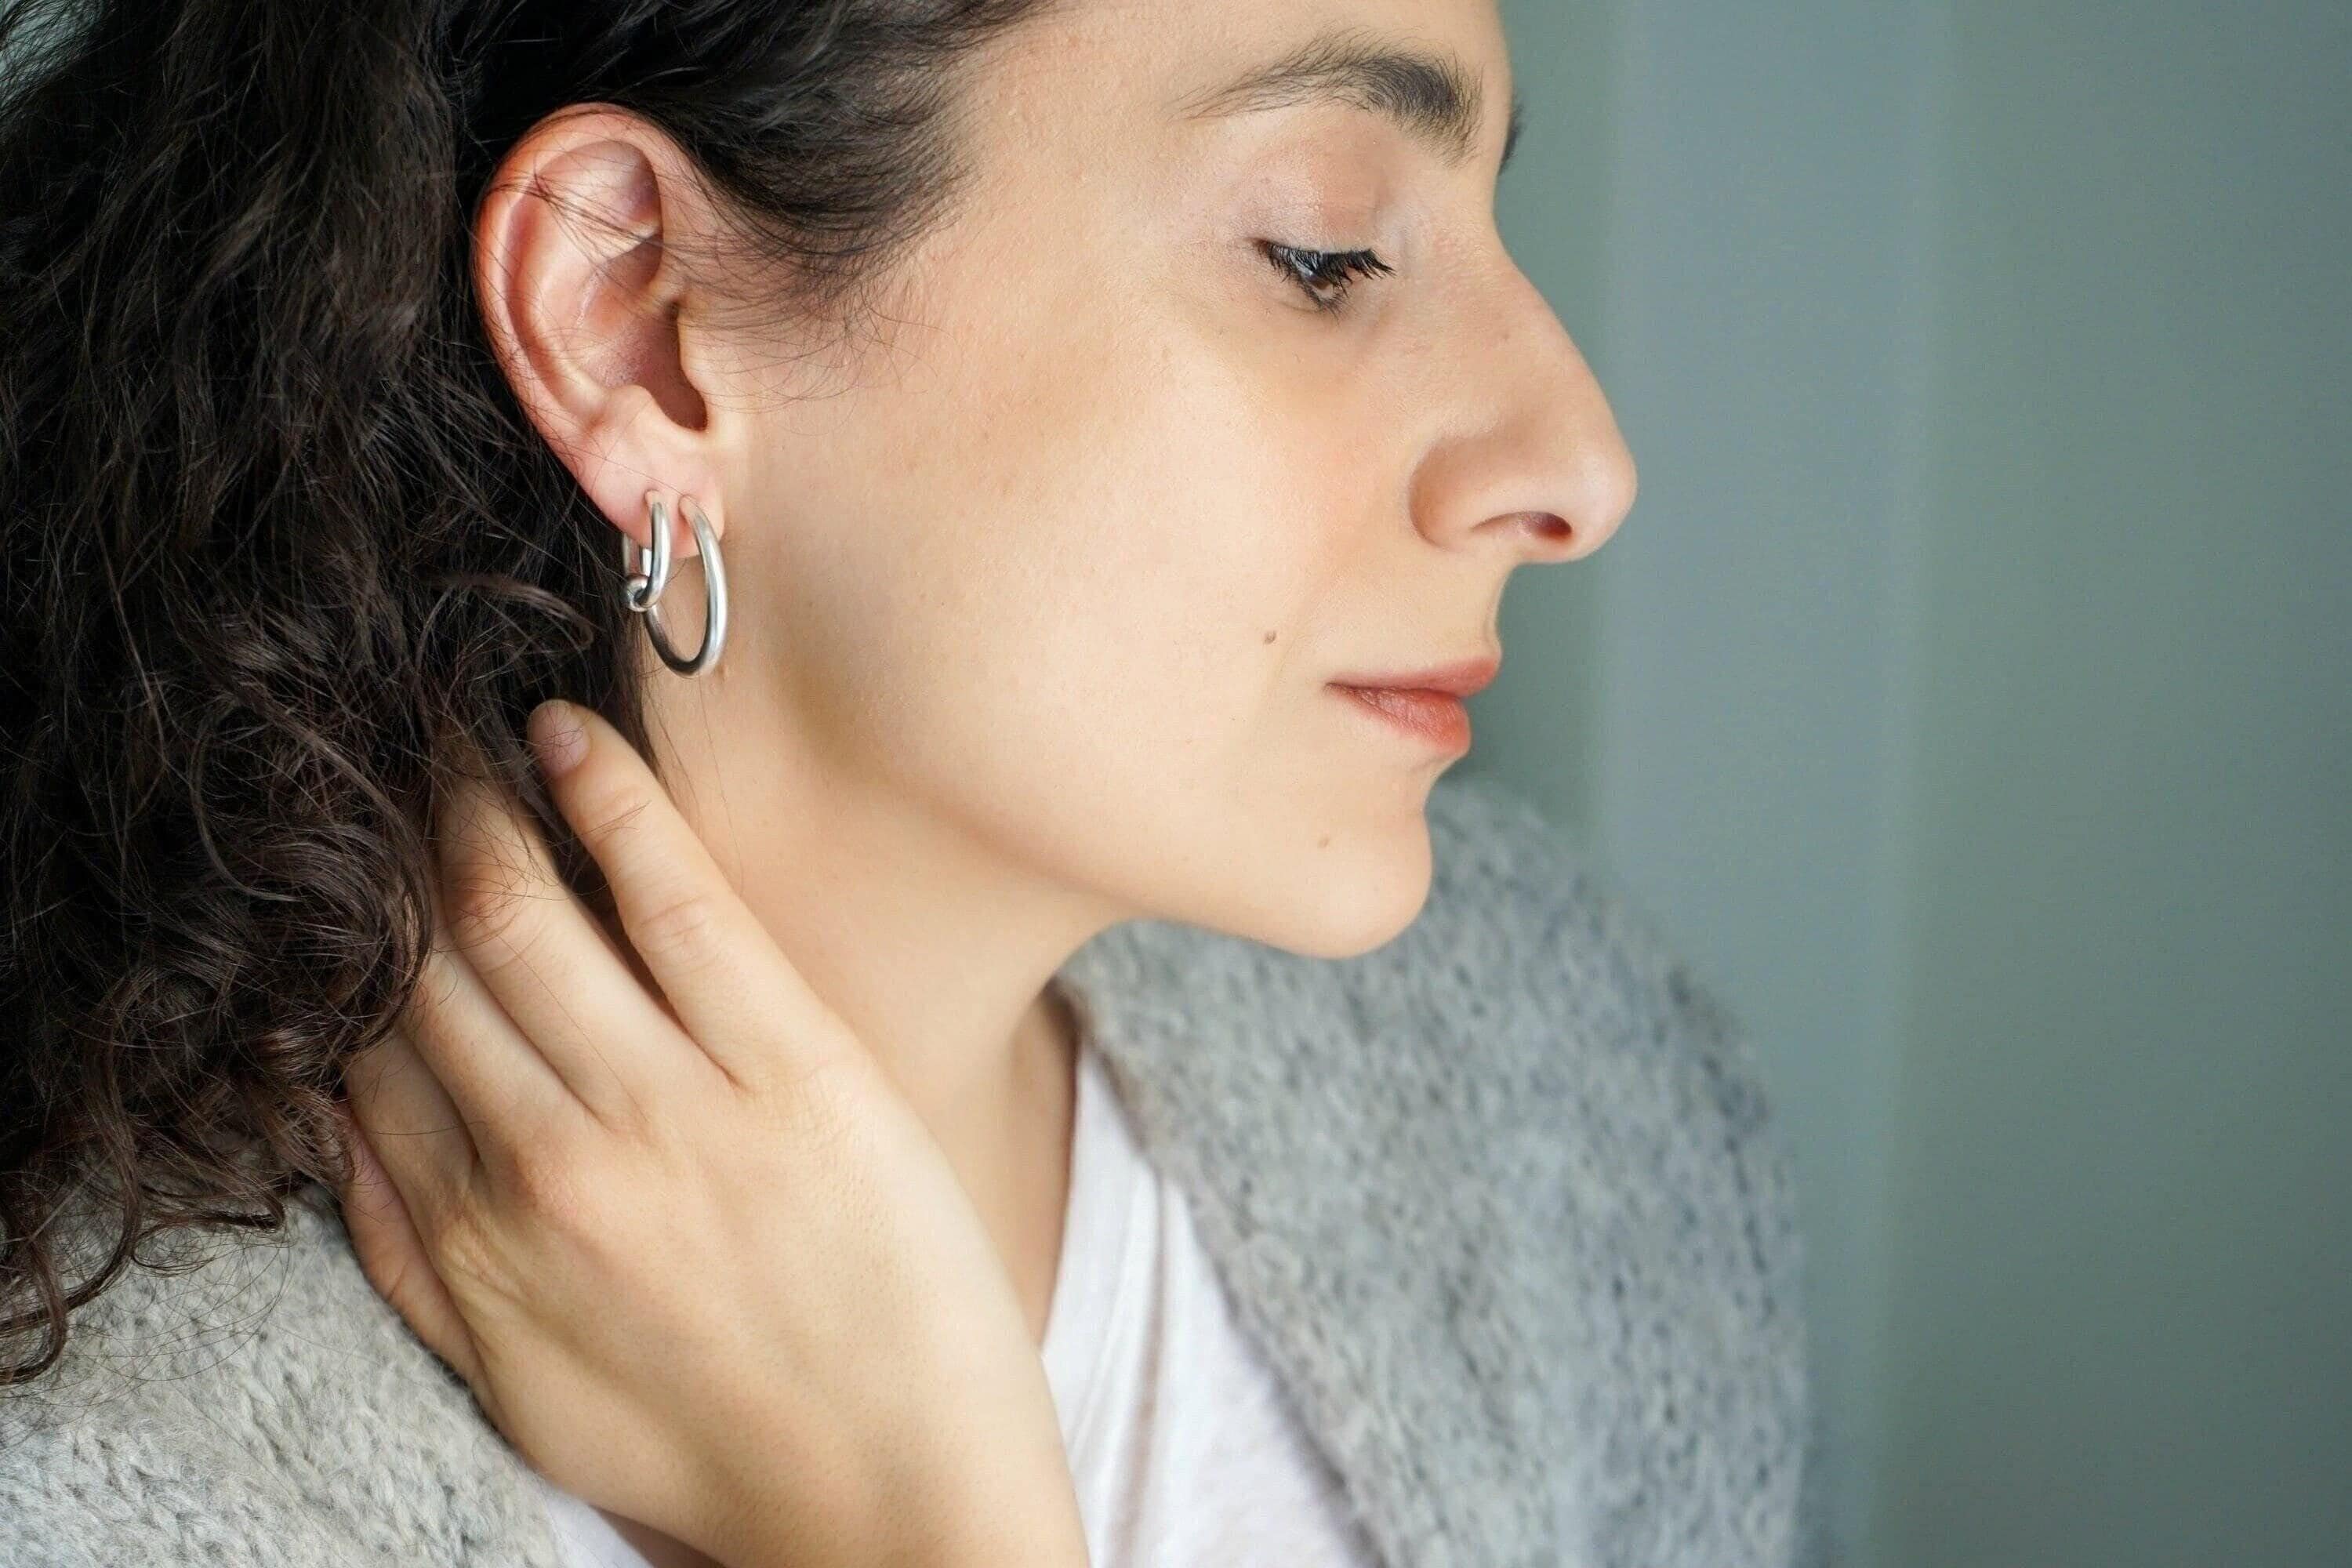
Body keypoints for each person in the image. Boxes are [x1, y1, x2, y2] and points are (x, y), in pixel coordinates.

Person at [0, 1, 1823, 1565]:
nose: (1581, 460)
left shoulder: (1560, 1083)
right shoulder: (93, 1469)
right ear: (639, 321)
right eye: (1325, 254)